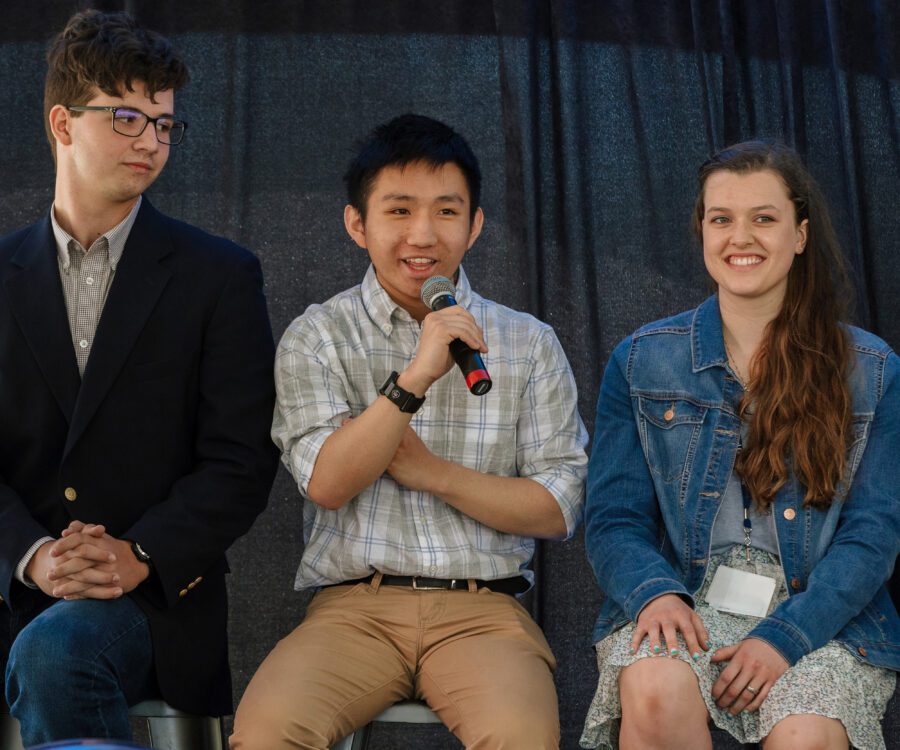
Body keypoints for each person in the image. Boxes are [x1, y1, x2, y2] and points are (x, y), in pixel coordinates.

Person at [230, 113, 588, 750]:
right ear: (357, 224)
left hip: (486, 612)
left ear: (475, 226)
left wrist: (432, 474)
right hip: (353, 610)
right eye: (398, 211)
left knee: (521, 739)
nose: (423, 234)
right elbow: (327, 482)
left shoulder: (527, 343)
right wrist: (417, 374)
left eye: (447, 212)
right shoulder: (318, 336)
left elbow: (558, 507)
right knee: (266, 735)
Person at [0, 10, 279, 745]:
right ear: (63, 123)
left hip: (154, 600)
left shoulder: (218, 275)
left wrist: (137, 555)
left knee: (59, 652)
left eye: (163, 124)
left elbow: (241, 462)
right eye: (127, 117)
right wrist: (31, 555)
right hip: (10, 582)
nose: (151, 141)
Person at [580, 140, 899, 750]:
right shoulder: (643, 360)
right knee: (653, 684)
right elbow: (614, 518)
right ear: (701, 231)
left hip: (820, 614)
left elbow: (873, 535)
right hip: (688, 593)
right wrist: (654, 594)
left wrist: (786, 638)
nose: (740, 237)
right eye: (721, 218)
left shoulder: (873, 370)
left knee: (806, 735)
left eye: (764, 218)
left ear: (800, 235)